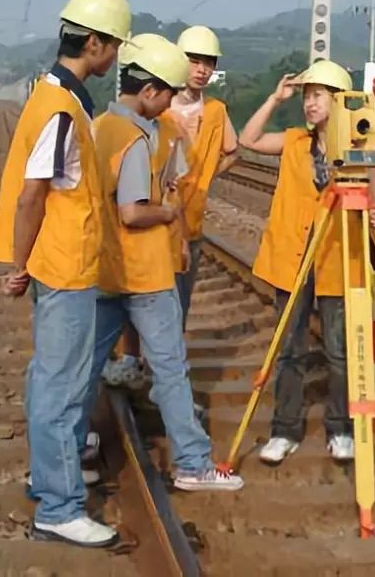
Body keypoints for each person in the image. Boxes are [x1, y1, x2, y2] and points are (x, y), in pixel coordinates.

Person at [0, 0, 130, 548]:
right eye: (113, 46)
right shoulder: (60, 110)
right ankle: (58, 505)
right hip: (64, 268)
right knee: (61, 386)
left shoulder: (53, 97)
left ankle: (49, 479)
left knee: (52, 379)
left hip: (63, 263)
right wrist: (18, 265)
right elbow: (32, 196)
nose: (115, 56)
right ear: (92, 44)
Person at [87, 33, 244, 492]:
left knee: (85, 365)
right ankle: (194, 463)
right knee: (171, 368)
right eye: (168, 94)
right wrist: (170, 212)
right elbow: (134, 211)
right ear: (150, 90)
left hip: (107, 268)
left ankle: (73, 448)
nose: (170, 103)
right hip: (146, 271)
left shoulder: (99, 127)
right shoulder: (136, 138)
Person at [240, 60, 375, 464]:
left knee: (340, 350)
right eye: (306, 95)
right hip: (291, 258)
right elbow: (248, 139)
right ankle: (284, 430)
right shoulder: (292, 141)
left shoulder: (357, 147)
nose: (309, 103)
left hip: (337, 260)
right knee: (290, 349)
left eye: (317, 95)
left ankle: (340, 428)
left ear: (338, 101)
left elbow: (374, 197)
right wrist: (274, 98)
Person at [168, 25, 240, 326]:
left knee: (180, 302)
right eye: (194, 61)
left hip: (193, 221)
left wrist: (208, 176)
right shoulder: (159, 105)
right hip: (157, 219)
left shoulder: (215, 111)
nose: (201, 70)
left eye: (208, 63)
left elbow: (233, 151)